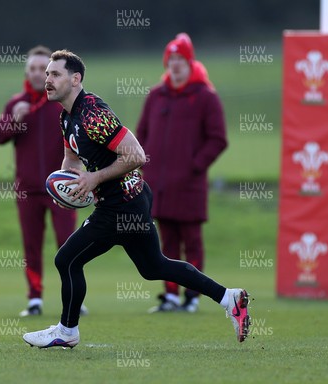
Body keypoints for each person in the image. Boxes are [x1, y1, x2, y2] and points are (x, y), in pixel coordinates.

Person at [22, 50, 250, 349]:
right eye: (47, 74)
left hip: (121, 205)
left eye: (55, 74)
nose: (47, 80)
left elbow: (137, 155)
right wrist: (69, 189)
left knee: (66, 259)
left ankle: (67, 331)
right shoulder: (67, 117)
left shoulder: (93, 113)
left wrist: (94, 179)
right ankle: (229, 297)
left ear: (75, 79)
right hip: (128, 200)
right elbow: (71, 159)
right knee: (153, 266)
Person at [136, 33, 228, 313]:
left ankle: (193, 296)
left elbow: (217, 139)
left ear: (190, 62)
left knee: (192, 242)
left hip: (189, 185)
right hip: (159, 186)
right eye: (171, 59)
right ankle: (171, 295)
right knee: (166, 245)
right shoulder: (156, 95)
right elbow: (141, 133)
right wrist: (145, 164)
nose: (175, 65)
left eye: (180, 59)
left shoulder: (205, 96)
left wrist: (194, 166)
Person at [0, 45, 77, 317]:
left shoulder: (64, 102)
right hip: (28, 190)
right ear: (26, 72)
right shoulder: (17, 104)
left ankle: (74, 296)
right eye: (33, 69)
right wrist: (14, 119)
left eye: (45, 69)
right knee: (31, 245)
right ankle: (35, 299)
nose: (39, 74)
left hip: (63, 188)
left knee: (69, 243)